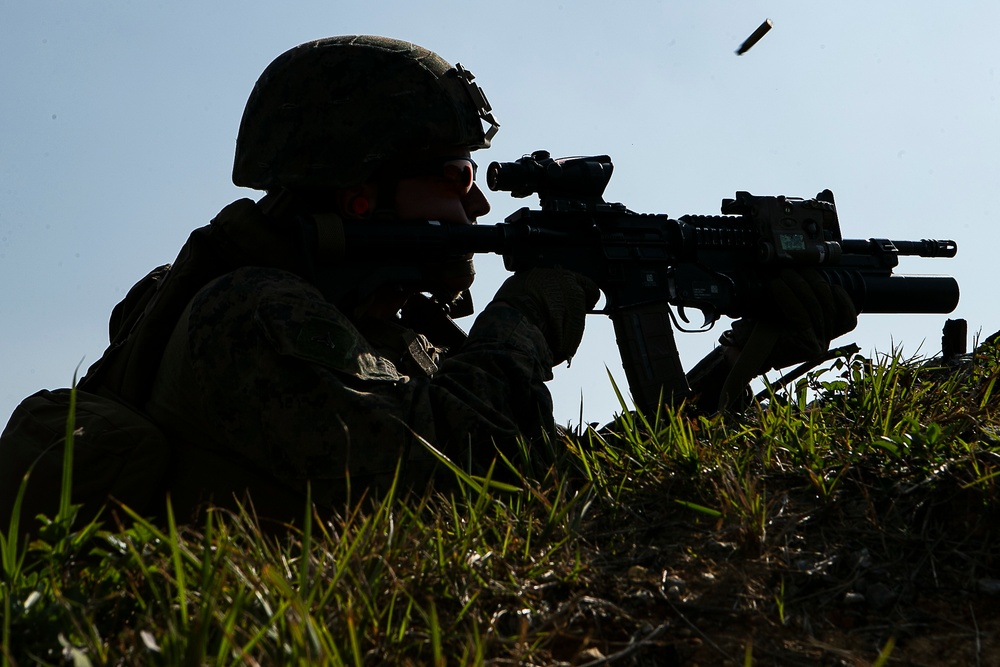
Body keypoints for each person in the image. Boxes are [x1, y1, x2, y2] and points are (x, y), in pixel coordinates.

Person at [0, 35, 856, 528]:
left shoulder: (406, 334)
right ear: (363, 190)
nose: (479, 199)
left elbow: (555, 488)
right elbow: (446, 473)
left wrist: (747, 356)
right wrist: (537, 303)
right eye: (454, 173)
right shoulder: (250, 315)